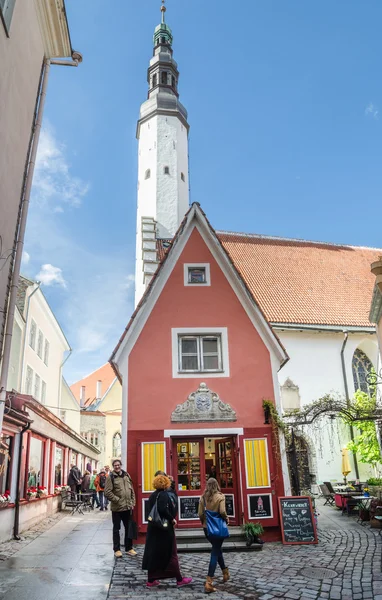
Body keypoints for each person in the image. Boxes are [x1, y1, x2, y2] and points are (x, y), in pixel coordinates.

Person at [142, 473, 192, 588]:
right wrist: (172, 519)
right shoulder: (164, 495)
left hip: (153, 528)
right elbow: (163, 509)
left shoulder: (152, 495)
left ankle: (151, 580)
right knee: (170, 552)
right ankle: (179, 579)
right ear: (166, 484)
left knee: (154, 553)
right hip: (164, 529)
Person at [198, 477, 230, 593]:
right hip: (218, 529)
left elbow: (200, 513)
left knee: (217, 549)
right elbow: (222, 511)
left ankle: (225, 572)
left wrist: (204, 523)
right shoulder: (220, 497)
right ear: (217, 485)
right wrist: (226, 518)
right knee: (215, 552)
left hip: (207, 529)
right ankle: (209, 582)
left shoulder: (203, 497)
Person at [105, 459, 137, 558]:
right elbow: (107, 492)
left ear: (121, 465)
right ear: (113, 466)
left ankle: (129, 548)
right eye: (115, 465)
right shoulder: (111, 477)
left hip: (127, 507)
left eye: (118, 465)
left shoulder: (127, 475)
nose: (117, 467)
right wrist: (117, 500)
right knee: (116, 529)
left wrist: (133, 502)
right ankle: (117, 549)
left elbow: (131, 490)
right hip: (117, 508)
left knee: (129, 528)